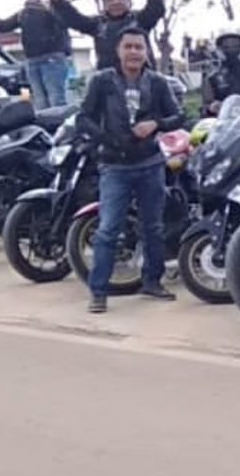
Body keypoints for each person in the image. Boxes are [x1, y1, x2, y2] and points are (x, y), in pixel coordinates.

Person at [76, 25, 184, 313]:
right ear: (118, 50)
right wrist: (106, 139)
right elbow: (83, 118)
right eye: (128, 47)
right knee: (108, 229)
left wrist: (156, 124)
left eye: (139, 47)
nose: (134, 52)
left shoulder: (158, 82)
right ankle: (98, 292)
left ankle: (152, 282)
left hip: (150, 163)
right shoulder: (101, 81)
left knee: (153, 227)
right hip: (115, 165)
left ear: (146, 51)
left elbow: (179, 115)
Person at [50, 0, 165, 71]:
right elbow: (75, 19)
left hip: (141, 78)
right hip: (108, 79)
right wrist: (57, 0)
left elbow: (156, 8)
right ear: (104, 3)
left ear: (129, 0)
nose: (116, 2)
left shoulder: (140, 20)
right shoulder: (97, 24)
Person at [0, 0, 71, 108]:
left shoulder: (50, 7)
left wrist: (51, 5)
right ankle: (45, 121)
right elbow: (3, 26)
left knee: (56, 98)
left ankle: (61, 121)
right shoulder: (22, 13)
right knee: (40, 101)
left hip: (52, 58)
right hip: (32, 60)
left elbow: (65, 21)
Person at [202, 28, 240, 115]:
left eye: (235, 46)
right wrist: (211, 107)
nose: (231, 49)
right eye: (226, 46)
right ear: (219, 48)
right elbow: (206, 105)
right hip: (223, 119)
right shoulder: (212, 76)